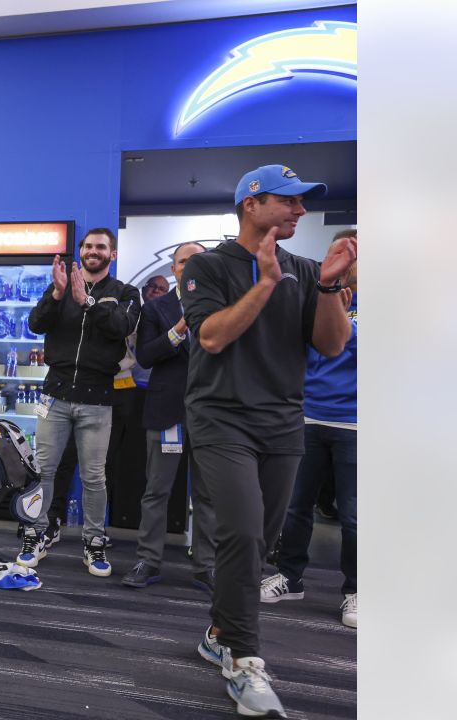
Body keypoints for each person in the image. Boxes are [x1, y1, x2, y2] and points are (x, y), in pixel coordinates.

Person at [185, 165, 355, 718]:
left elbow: (331, 346)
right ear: (252, 204)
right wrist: (263, 283)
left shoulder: (306, 271)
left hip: (283, 423)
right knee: (240, 531)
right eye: (290, 201)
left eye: (304, 203)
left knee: (261, 541)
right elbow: (210, 338)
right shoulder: (207, 266)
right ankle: (243, 657)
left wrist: (328, 286)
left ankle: (217, 631)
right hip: (221, 418)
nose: (301, 211)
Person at [20, 229, 140, 579]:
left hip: (97, 399)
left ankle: (94, 541)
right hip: (54, 394)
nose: (92, 251)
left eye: (100, 247)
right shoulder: (62, 286)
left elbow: (121, 326)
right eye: (87, 246)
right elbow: (35, 323)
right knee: (42, 470)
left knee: (94, 476)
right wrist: (58, 294)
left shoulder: (125, 294)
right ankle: (35, 534)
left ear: (111, 255)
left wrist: (86, 302)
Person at [261, 229, 357, 629]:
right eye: (342, 251)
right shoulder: (318, 295)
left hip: (358, 423)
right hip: (308, 416)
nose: (350, 259)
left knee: (355, 516)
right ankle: (290, 576)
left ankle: (356, 591)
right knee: (295, 506)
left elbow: (340, 344)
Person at [122, 241, 217, 591]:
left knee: (208, 494)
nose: (188, 266)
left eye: (196, 261)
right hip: (166, 413)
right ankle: (148, 560)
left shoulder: (225, 303)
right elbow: (145, 356)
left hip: (212, 412)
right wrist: (178, 331)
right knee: (156, 491)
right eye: (182, 261)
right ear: (173, 269)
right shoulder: (156, 307)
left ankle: (206, 565)